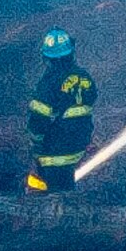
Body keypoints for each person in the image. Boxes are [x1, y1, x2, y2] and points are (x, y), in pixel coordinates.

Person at [25, 27, 97, 192]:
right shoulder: (85, 76)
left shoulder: (48, 83)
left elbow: (38, 119)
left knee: (46, 194)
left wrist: (35, 144)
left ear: (48, 58)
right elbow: (91, 100)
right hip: (78, 149)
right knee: (69, 188)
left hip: (53, 155)